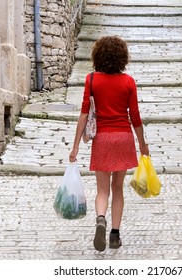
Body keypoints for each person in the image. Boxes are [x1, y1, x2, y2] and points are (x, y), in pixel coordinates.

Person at [69, 36, 149, 251]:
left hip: (102, 140)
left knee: (102, 190)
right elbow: (135, 116)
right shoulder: (129, 82)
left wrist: (75, 146)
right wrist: (142, 144)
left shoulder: (91, 80)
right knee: (118, 189)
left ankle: (101, 219)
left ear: (98, 56)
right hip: (123, 138)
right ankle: (115, 235)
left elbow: (84, 114)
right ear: (122, 57)